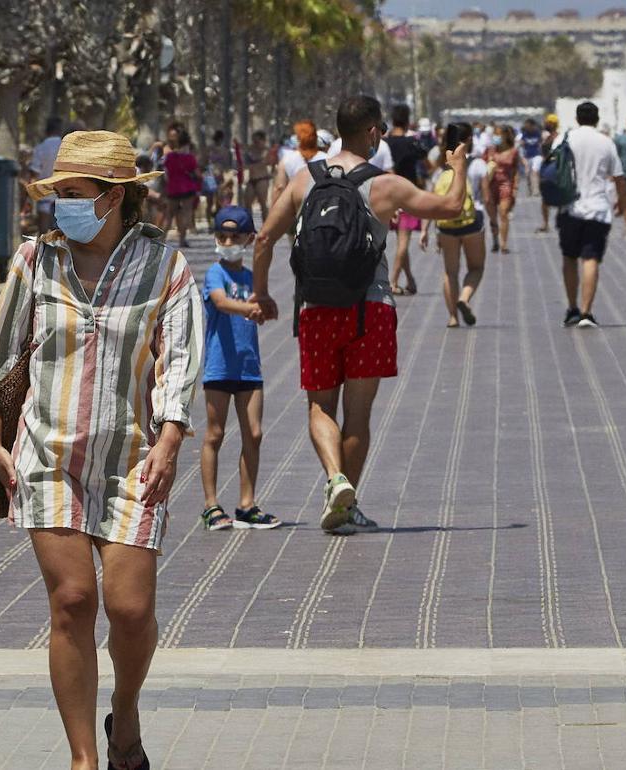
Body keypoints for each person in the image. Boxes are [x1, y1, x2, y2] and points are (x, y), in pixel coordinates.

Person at [0, 130, 203, 770]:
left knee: (130, 610)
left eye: (76, 195)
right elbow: (1, 349)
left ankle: (124, 712)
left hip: (134, 458)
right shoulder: (34, 260)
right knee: (72, 600)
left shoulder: (166, 265)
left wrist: (172, 437)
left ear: (116, 198)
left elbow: (179, 357)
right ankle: (82, 757)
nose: (62, 207)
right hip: (48, 453)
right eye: (58, 195)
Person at [250, 95, 467, 535]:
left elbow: (263, 240)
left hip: (316, 308)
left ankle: (334, 480)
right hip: (370, 308)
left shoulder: (303, 180)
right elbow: (448, 208)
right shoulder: (385, 184)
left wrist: (261, 294)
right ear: (372, 132)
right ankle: (347, 504)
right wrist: (457, 167)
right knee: (359, 415)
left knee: (319, 406)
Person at [199, 206, 280, 532]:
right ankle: (210, 504)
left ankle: (247, 503)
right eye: (222, 235)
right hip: (219, 367)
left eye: (234, 236)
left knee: (254, 434)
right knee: (215, 434)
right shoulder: (215, 273)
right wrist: (253, 308)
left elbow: (265, 306)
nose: (227, 241)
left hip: (249, 367)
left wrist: (267, 308)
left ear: (247, 239)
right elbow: (220, 302)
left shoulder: (251, 279)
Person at [554, 102, 626, 328]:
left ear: (577, 118)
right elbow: (619, 177)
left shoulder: (564, 140)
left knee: (569, 257)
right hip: (597, 208)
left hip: (569, 208)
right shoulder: (606, 142)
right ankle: (586, 312)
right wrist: (621, 203)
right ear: (596, 119)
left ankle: (572, 308)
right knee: (591, 258)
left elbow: (550, 170)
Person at [421, 123, 488, 328]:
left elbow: (431, 200)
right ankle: (464, 298)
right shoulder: (476, 164)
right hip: (471, 224)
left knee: (450, 271)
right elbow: (486, 196)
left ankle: (452, 318)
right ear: (469, 140)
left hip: (445, 226)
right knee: (476, 268)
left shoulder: (441, 167)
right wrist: (494, 221)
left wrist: (424, 229)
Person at [385, 104, 428, 295]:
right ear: (408, 120)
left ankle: (410, 280)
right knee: (403, 241)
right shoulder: (412, 142)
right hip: (407, 195)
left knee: (401, 239)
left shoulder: (383, 143)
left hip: (386, 195)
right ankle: (393, 281)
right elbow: (428, 160)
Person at [160, 122, 202, 247]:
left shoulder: (170, 157)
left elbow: (166, 173)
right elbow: (197, 174)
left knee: (169, 215)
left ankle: (161, 240)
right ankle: (182, 240)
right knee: (186, 213)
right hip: (188, 187)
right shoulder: (190, 158)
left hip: (173, 188)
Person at [270, 121, 324, 209]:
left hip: (295, 208)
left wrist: (273, 211)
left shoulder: (287, 159)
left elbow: (279, 188)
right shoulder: (327, 158)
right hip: (319, 208)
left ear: (298, 138)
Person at [484, 124, 519, 254]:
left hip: (506, 185)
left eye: (499, 134)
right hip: (490, 185)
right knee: (493, 217)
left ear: (505, 135)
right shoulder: (489, 150)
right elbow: (482, 167)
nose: (496, 137)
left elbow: (516, 171)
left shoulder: (513, 151)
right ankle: (495, 240)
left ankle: (504, 243)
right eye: (495, 134)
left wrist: (515, 187)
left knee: (503, 214)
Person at [31, 117, 66, 235]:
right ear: (60, 130)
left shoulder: (40, 148)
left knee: (43, 234)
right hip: (63, 196)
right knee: (62, 234)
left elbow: (34, 172)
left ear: (46, 131)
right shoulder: (65, 147)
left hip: (44, 197)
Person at [241, 130, 274, 222]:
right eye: (254, 140)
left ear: (262, 140)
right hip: (251, 179)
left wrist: (252, 165)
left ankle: (266, 225)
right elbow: (244, 164)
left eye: (257, 140)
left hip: (262, 179)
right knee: (247, 203)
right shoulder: (250, 150)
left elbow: (266, 162)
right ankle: (249, 225)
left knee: (262, 203)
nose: (255, 143)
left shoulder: (266, 151)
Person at [537, 114, 560, 233]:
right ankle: (545, 223)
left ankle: (560, 221)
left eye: (548, 122)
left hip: (555, 170)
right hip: (546, 169)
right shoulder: (546, 137)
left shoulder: (558, 138)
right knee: (545, 199)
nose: (546, 124)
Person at [202, 129, 230, 221]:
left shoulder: (223, 150)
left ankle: (214, 221)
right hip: (211, 177)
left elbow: (226, 165)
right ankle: (211, 221)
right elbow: (203, 162)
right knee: (212, 201)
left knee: (216, 201)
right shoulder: (210, 150)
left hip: (216, 177)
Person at [519, 118, 543, 197]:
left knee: (534, 171)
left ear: (532, 126)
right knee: (528, 174)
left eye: (528, 126)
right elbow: (521, 144)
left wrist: (542, 155)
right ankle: (530, 189)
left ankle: (536, 190)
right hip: (527, 156)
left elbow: (540, 144)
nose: (527, 127)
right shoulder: (525, 134)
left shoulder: (537, 133)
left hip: (536, 155)